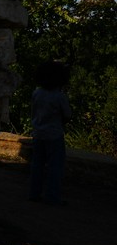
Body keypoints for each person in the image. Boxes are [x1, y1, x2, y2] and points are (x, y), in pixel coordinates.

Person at [29, 60, 72, 205]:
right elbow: (67, 115)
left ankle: (34, 193)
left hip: (38, 133)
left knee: (37, 165)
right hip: (54, 135)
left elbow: (33, 112)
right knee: (55, 167)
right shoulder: (59, 97)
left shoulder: (37, 93)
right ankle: (52, 197)